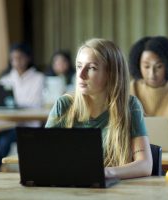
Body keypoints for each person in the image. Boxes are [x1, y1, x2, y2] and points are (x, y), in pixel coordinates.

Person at [45, 38, 152, 179]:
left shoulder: (130, 106)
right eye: (78, 66)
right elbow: (43, 158)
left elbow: (145, 165)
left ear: (111, 73)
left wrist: (105, 172)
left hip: (115, 191)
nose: (81, 74)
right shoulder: (64, 105)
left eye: (91, 68)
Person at [0, 43, 44, 171]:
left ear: (28, 58)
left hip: (26, 124)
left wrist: (16, 105)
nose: (17, 61)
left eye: (20, 57)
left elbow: (35, 103)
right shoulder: (5, 79)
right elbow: (0, 104)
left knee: (3, 145)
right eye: (13, 58)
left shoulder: (38, 78)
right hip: (5, 123)